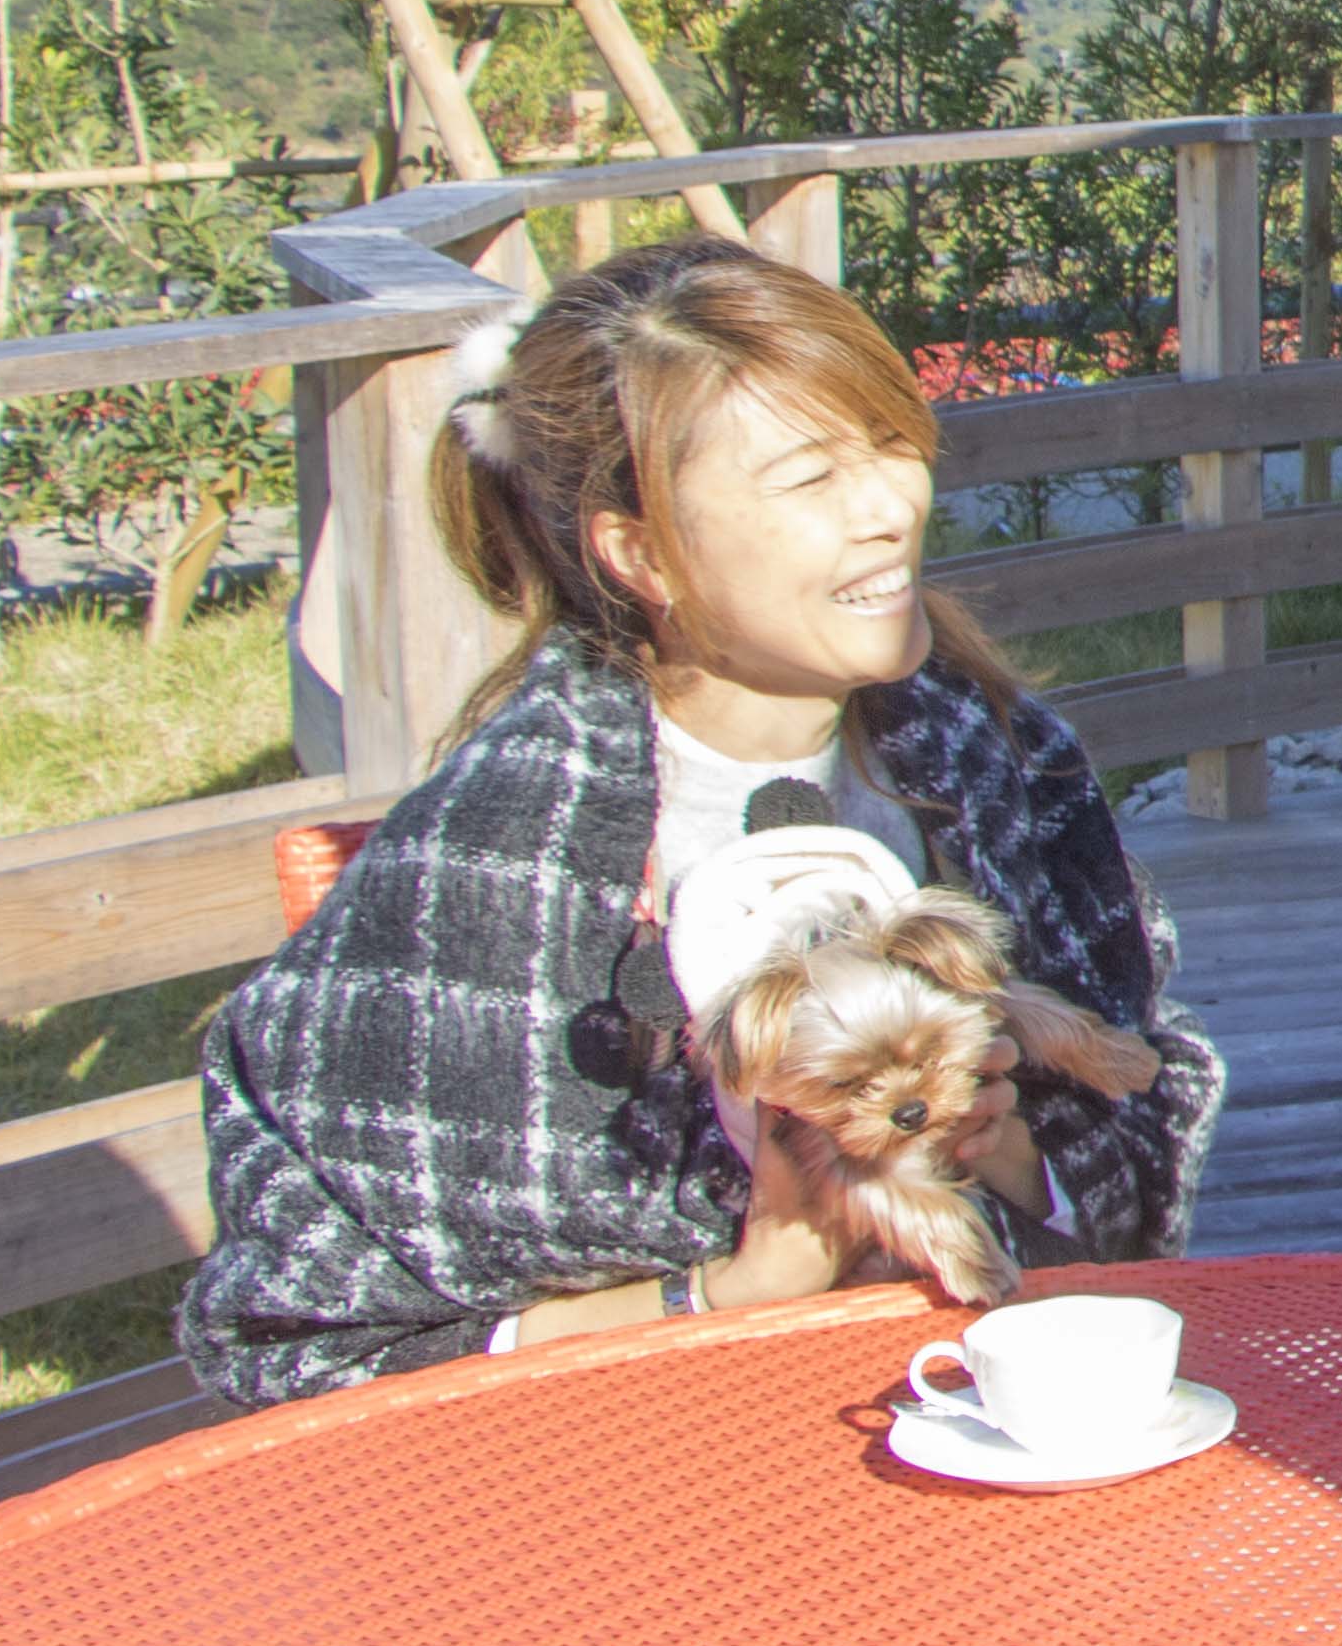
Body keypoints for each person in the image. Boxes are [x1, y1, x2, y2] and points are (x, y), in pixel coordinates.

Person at [180, 235, 1220, 1402]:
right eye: (808, 476)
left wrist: (1014, 1157)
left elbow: (1130, 1150)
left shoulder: (994, 761)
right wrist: (728, 1290)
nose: (891, 504)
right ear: (640, 554)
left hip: (994, 1415)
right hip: (640, 1487)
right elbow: (308, 1348)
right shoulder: (490, 872)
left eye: (889, 441)